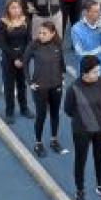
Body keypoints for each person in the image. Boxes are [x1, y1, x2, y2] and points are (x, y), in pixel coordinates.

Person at [64, 55, 101, 200]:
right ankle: (80, 190)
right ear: (85, 73)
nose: (98, 74)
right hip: (82, 131)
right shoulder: (73, 88)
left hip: (100, 128)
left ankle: (100, 185)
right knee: (81, 160)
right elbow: (68, 110)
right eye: (95, 72)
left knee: (100, 157)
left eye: (98, 70)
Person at [23, 21, 65, 158]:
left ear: (52, 34)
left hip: (56, 86)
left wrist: (61, 78)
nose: (41, 35)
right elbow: (25, 62)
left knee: (55, 114)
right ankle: (38, 143)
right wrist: (30, 82)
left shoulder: (57, 44)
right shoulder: (34, 45)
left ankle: (54, 139)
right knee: (41, 115)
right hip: (40, 87)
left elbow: (61, 62)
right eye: (40, 32)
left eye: (44, 33)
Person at [0, 0, 34, 124]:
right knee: (9, 86)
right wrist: (15, 58)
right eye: (13, 8)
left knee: (22, 85)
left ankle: (24, 108)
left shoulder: (26, 21)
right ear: (8, 9)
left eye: (18, 7)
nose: (16, 10)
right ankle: (9, 112)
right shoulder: (3, 23)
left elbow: (29, 40)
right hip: (9, 59)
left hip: (22, 58)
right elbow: (2, 43)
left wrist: (22, 57)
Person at [71, 0, 101, 81]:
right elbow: (80, 55)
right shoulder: (76, 29)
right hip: (87, 73)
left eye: (100, 10)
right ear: (86, 12)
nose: (100, 14)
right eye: (96, 11)